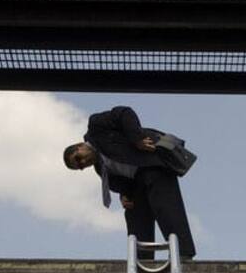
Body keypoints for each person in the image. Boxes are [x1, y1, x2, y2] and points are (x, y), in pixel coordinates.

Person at [62, 106, 196, 260]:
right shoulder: (100, 169)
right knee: (134, 214)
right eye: (80, 166)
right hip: (137, 182)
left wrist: (136, 138)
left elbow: (124, 113)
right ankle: (143, 260)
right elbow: (121, 182)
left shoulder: (96, 126)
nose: (83, 163)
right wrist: (124, 195)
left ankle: (183, 252)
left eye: (79, 158)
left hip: (151, 163)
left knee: (166, 206)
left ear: (80, 146)